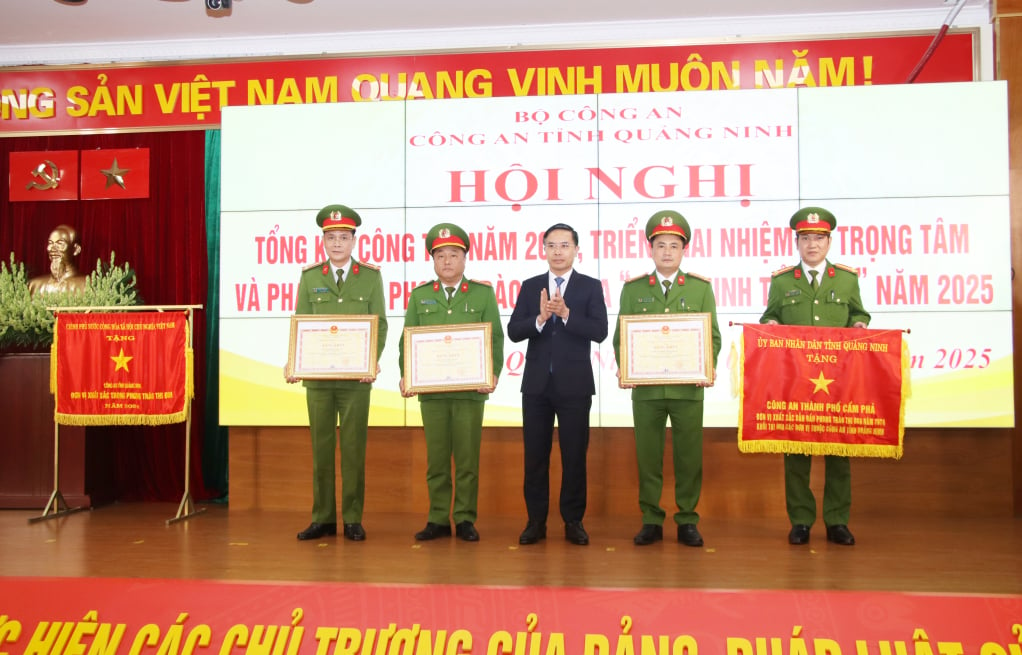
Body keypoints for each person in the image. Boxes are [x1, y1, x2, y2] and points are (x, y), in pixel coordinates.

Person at [760, 206, 869, 547]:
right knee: (796, 451)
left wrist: (859, 324)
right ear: (796, 242)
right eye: (805, 238)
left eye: (818, 238)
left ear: (829, 241)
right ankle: (801, 521)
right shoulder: (781, 282)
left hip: (837, 381)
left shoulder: (847, 279)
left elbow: (858, 312)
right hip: (796, 380)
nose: (812, 245)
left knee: (839, 452)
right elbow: (769, 316)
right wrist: (771, 325)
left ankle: (837, 521)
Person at [613, 210, 720, 547]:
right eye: (661, 245)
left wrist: (708, 364)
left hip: (688, 389)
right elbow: (621, 337)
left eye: (674, 245)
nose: (668, 252)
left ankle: (687, 519)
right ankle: (651, 519)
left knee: (689, 457)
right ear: (650, 249)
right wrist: (625, 365)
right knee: (648, 458)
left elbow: (712, 336)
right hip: (646, 391)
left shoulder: (701, 288)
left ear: (683, 249)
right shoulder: (633, 290)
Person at [286, 204, 388, 542]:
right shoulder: (310, 277)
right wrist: (293, 361)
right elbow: (300, 324)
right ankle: (323, 518)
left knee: (354, 449)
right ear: (323, 241)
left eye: (344, 237)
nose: (337, 243)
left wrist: (371, 360)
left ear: (354, 240)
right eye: (331, 237)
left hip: (356, 381)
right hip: (317, 381)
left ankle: (353, 518)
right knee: (321, 449)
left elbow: (381, 325)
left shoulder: (371, 277)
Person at [399, 223, 503, 542]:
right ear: (433, 260)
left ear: (465, 259)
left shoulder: (483, 294)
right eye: (440, 255)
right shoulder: (420, 296)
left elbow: (495, 339)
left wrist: (493, 373)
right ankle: (438, 518)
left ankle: (465, 518)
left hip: (470, 393)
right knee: (438, 459)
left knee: (468, 459)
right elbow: (408, 341)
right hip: (432, 394)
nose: (447, 261)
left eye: (454, 255)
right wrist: (407, 373)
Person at [507, 223, 608, 546]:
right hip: (536, 386)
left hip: (575, 386)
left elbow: (600, 331)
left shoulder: (590, 287)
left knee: (574, 455)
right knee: (535, 456)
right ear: (544, 249)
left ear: (577, 250)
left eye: (565, 245)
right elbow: (514, 330)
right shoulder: (530, 286)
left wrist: (565, 314)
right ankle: (535, 521)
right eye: (552, 245)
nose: (558, 252)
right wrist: (539, 319)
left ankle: (573, 521)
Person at [28, 224, 89, 295]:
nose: (52, 248)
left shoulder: (87, 285)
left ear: (76, 250)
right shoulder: (34, 285)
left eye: (60, 243)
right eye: (50, 243)